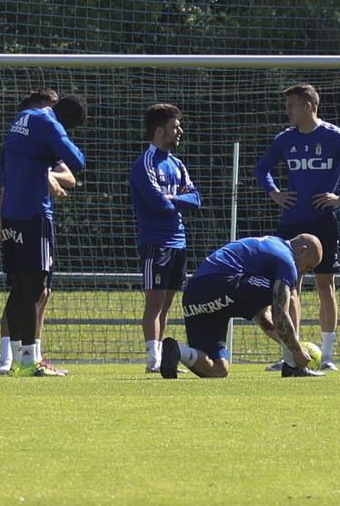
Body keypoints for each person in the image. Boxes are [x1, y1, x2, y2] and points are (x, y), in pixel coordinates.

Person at [253, 84, 340, 371]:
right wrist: (274, 192)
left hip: (323, 221)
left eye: (292, 106)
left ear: (308, 106)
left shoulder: (335, 137)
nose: (287, 111)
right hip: (290, 223)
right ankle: (291, 352)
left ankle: (329, 355)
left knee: (325, 284)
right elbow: (261, 169)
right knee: (288, 287)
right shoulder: (285, 140)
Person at [0, 88, 87, 376]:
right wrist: (55, 156)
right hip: (35, 214)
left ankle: (16, 359)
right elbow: (77, 161)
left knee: (19, 287)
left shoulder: (21, 119)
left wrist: (45, 168)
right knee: (35, 287)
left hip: (10, 213)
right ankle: (28, 362)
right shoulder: (48, 123)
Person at [159, 234, 324, 378]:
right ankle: (292, 367)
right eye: (308, 267)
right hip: (222, 282)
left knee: (219, 370)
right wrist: (296, 348)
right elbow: (280, 312)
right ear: (303, 250)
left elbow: (264, 318)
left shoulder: (268, 248)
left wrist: (293, 344)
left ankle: (179, 351)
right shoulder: (286, 259)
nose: (303, 273)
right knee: (285, 294)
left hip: (194, 295)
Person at [134, 103, 201, 373]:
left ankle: (161, 357)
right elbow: (155, 203)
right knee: (154, 301)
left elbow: (196, 199)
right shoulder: (145, 163)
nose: (179, 131)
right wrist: (175, 201)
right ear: (160, 130)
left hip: (179, 241)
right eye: (175, 126)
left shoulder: (177, 164)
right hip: (155, 241)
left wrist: (172, 199)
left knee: (168, 302)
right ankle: (153, 359)